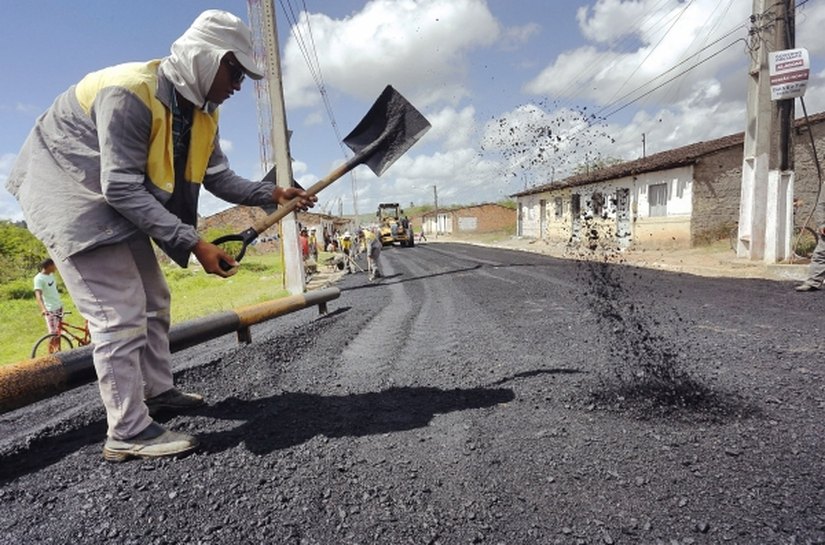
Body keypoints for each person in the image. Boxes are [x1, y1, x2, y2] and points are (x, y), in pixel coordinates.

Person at [5, 10, 315, 462]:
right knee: (119, 314)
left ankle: (157, 392)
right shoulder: (131, 91)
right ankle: (127, 431)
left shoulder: (203, 113)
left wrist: (272, 192)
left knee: (154, 298)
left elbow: (219, 178)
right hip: (70, 192)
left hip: (116, 199)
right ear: (205, 59)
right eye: (235, 69)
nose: (240, 84)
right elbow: (121, 187)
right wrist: (195, 243)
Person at [34, 258, 64, 349]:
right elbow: (38, 295)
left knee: (59, 332)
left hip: (59, 307)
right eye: (54, 265)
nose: (56, 267)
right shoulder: (39, 278)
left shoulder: (51, 275)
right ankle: (50, 356)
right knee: (52, 333)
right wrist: (43, 309)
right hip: (50, 309)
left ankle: (59, 351)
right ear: (49, 266)